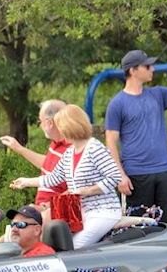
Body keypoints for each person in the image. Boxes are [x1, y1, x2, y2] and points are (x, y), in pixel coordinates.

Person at [105, 50, 167, 224]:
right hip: (135, 176)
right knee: (139, 229)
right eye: (147, 66)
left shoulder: (158, 94)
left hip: (164, 171)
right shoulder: (117, 104)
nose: (152, 68)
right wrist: (120, 175)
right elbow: (111, 142)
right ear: (133, 71)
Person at [11, 105, 122, 249]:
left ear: (71, 126)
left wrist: (86, 191)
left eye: (61, 126)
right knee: (59, 243)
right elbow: (53, 178)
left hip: (104, 212)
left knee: (74, 246)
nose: (60, 131)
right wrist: (25, 182)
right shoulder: (69, 153)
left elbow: (114, 177)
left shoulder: (94, 148)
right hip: (82, 213)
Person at [0, 100, 69, 211]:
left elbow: (78, 189)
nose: (40, 125)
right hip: (44, 209)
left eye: (40, 121)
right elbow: (48, 165)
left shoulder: (72, 148)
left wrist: (47, 207)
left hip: (57, 214)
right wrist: (18, 148)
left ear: (49, 123)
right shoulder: (57, 143)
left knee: (20, 224)